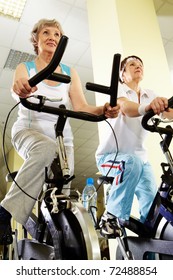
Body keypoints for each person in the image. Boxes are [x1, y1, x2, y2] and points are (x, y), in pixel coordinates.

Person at [0, 18, 119, 245]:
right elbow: (19, 89)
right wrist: (21, 89)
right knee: (46, 148)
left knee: (60, 196)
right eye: (46, 33)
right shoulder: (26, 67)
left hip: (63, 140)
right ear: (36, 40)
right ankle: (4, 212)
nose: (52, 37)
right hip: (28, 131)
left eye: (56, 34)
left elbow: (83, 107)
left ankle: (53, 244)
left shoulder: (69, 72)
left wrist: (104, 110)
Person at [96, 55, 170, 238]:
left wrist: (162, 107)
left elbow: (169, 114)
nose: (138, 66)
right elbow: (126, 108)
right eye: (132, 64)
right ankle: (111, 217)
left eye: (140, 65)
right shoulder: (118, 89)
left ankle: (153, 247)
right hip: (110, 158)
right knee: (132, 163)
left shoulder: (149, 94)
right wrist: (148, 107)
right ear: (122, 73)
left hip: (140, 161)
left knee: (153, 211)